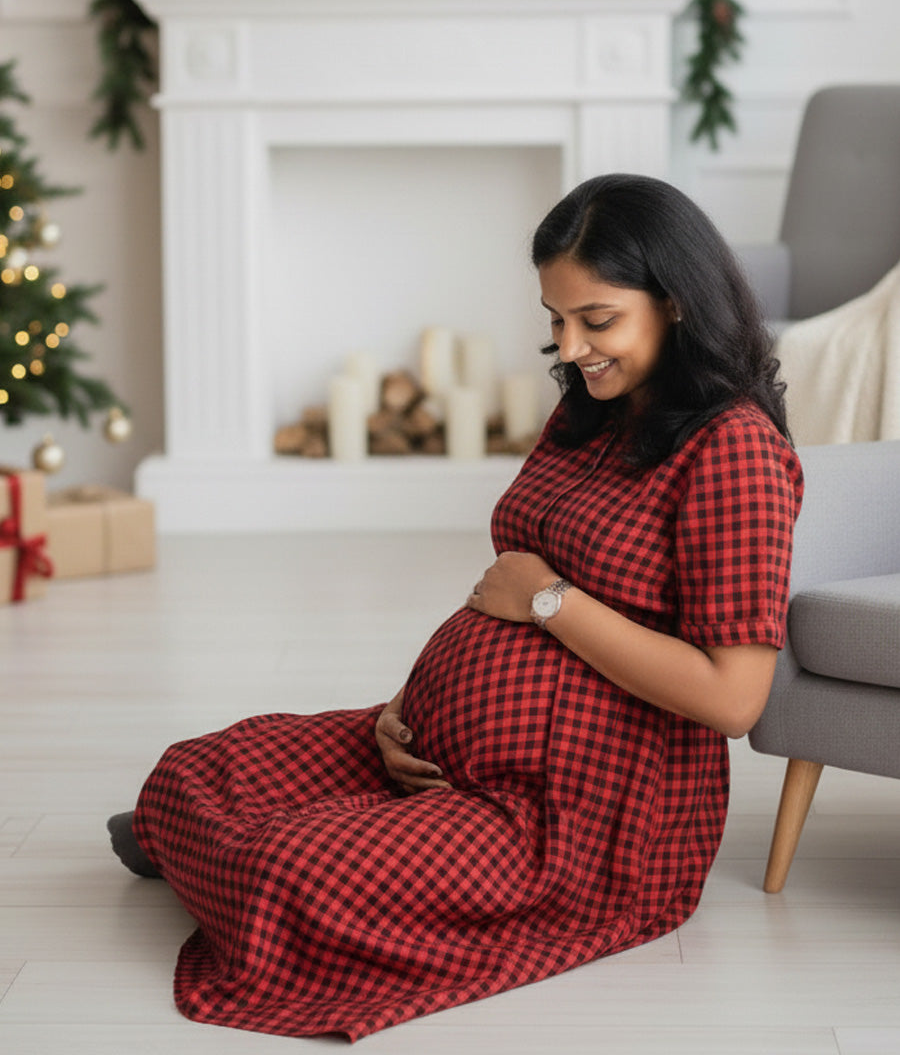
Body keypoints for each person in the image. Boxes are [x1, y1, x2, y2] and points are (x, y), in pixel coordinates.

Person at [108, 173, 803, 1041]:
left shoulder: (732, 451)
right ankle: (208, 851)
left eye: (598, 320)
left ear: (678, 304)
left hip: (576, 820)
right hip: (439, 753)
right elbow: (494, 612)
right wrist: (411, 707)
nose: (572, 345)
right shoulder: (593, 411)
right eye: (555, 318)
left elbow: (734, 698)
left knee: (287, 866)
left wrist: (550, 601)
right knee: (190, 771)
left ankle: (221, 870)